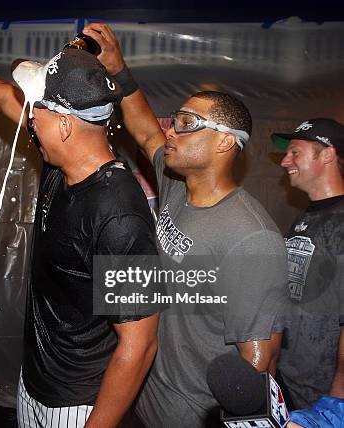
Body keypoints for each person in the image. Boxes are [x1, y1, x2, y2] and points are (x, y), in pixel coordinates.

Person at [0, 48, 162, 428]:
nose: (27, 114)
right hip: (35, 383)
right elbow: (3, 97)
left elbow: (140, 343)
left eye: (35, 107)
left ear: (65, 124)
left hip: (79, 404)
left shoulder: (120, 216)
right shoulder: (64, 159)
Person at [79, 23, 288, 427]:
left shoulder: (252, 239)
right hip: (142, 399)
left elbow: (260, 362)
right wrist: (119, 68)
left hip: (190, 417)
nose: (171, 129)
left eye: (187, 123)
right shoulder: (176, 186)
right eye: (176, 119)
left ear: (226, 142)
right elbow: (142, 129)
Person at [271, 119, 344, 410]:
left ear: (326, 154)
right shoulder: (307, 217)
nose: (285, 161)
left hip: (322, 397)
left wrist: (334, 407)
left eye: (295, 153)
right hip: (291, 384)